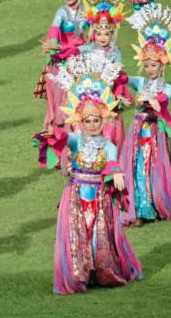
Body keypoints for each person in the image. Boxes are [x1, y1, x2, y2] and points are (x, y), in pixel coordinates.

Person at [34, 52, 142, 295]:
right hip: (76, 195)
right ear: (81, 120)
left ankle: (101, 272)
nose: (93, 124)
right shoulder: (77, 140)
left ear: (103, 120)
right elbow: (63, 137)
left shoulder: (108, 144)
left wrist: (116, 173)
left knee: (99, 235)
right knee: (77, 234)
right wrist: (52, 132)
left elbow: (113, 161)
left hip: (99, 196)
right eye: (88, 120)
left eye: (96, 120)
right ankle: (78, 274)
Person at [121, 3, 171, 225]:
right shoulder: (141, 82)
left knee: (154, 165)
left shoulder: (166, 87)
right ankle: (140, 205)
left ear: (162, 65)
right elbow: (125, 79)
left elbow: (163, 98)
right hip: (137, 130)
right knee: (137, 165)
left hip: (154, 132)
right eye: (147, 65)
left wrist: (153, 100)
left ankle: (156, 203)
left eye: (154, 65)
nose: (150, 69)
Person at [37, 0, 90, 132]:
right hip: (64, 54)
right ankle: (62, 126)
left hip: (82, 53)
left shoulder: (86, 11)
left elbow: (92, 34)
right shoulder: (61, 11)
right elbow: (53, 28)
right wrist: (53, 42)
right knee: (62, 91)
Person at [78, 0, 131, 151]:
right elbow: (74, 57)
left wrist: (120, 94)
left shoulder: (115, 52)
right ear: (94, 32)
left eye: (106, 34)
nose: (102, 37)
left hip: (109, 99)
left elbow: (119, 77)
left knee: (110, 132)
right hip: (91, 98)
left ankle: (111, 162)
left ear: (112, 33)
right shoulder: (87, 49)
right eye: (99, 33)